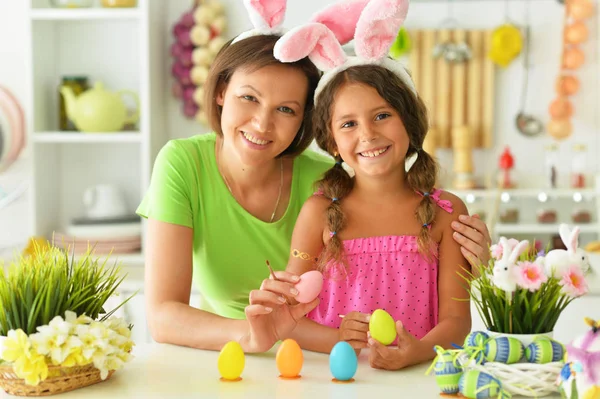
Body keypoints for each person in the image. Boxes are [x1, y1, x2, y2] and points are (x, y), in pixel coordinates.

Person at [137, 0, 491, 353]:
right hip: (237, 351)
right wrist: (256, 333)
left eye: (286, 109)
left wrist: (483, 271)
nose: (262, 123)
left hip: (322, 358)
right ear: (220, 92)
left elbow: (448, 310)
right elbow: (164, 316)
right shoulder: (184, 163)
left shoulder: (330, 185)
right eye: (249, 97)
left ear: (305, 121)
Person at [250, 0, 477, 369]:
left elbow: (457, 322)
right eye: (349, 124)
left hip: (418, 382)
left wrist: (416, 352)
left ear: (410, 123)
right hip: (334, 384)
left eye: (382, 116)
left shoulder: (446, 214)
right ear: (331, 141)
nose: (368, 135)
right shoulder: (319, 213)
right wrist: (337, 338)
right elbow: (289, 321)